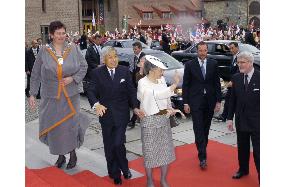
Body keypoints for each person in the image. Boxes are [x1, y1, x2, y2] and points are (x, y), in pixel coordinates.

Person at [28, 21, 89, 170]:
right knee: (55, 128)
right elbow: (35, 73)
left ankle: (72, 153)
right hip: (51, 96)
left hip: (71, 95)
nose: (61, 36)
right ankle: (60, 155)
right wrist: (32, 94)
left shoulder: (73, 48)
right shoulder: (44, 50)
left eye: (63, 33)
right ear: (51, 35)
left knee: (70, 126)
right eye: (58, 33)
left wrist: (72, 78)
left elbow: (84, 66)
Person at [86, 46, 144, 185]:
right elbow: (90, 91)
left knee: (118, 143)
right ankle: (114, 173)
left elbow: (131, 91)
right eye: (110, 57)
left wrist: (135, 107)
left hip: (121, 115)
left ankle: (124, 167)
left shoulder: (124, 71)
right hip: (105, 115)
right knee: (109, 145)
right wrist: (96, 104)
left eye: (115, 56)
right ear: (104, 59)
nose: (113, 60)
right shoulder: (97, 73)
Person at [137, 55, 180, 187]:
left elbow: (166, 99)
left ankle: (163, 179)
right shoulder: (142, 83)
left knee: (165, 151)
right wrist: (174, 85)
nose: (163, 72)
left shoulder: (161, 80)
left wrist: (170, 108)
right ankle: (149, 180)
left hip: (163, 120)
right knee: (150, 152)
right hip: (149, 121)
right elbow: (156, 95)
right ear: (152, 70)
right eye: (160, 70)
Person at [182, 41, 222, 169]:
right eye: (200, 51)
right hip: (195, 102)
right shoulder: (189, 65)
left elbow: (217, 83)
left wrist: (218, 101)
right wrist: (186, 102)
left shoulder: (213, 64)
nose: (203, 53)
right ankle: (202, 156)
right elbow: (186, 85)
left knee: (205, 127)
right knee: (198, 127)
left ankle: (202, 146)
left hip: (210, 101)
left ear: (207, 51)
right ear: (197, 51)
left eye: (205, 51)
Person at [227, 51, 260, 181]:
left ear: (250, 63)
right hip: (241, 120)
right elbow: (232, 100)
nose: (239, 65)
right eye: (238, 62)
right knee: (242, 148)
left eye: (243, 62)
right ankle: (243, 169)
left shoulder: (261, 77)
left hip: (257, 121)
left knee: (259, 151)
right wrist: (229, 118)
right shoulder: (236, 78)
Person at [214, 42, 240, 122]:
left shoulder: (240, 57)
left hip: (237, 83)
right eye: (230, 48)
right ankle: (225, 116)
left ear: (237, 47)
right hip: (232, 82)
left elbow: (240, 71)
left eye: (232, 48)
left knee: (233, 100)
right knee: (228, 99)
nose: (231, 50)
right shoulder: (233, 57)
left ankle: (228, 116)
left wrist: (233, 81)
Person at [128, 41, 146, 128]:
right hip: (136, 83)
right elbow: (132, 70)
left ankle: (133, 120)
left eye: (135, 49)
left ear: (140, 48)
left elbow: (145, 72)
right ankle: (134, 119)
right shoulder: (135, 57)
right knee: (136, 101)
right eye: (133, 49)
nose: (134, 51)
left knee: (139, 102)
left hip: (142, 83)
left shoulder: (144, 57)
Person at [84, 34, 102, 105]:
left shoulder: (101, 46)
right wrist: (96, 65)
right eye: (98, 40)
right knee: (93, 85)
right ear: (94, 40)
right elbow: (88, 59)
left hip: (101, 68)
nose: (99, 41)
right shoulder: (90, 48)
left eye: (100, 40)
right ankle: (94, 99)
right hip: (93, 69)